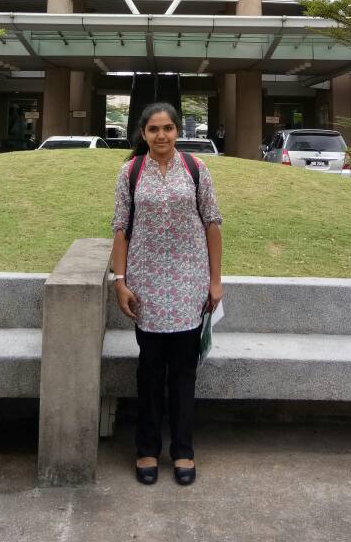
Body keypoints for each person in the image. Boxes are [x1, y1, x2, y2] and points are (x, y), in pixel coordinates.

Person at [111, 102, 223, 487]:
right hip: (146, 287)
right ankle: (146, 448)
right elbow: (120, 229)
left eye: (168, 128)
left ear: (178, 131)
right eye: (154, 129)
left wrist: (215, 281)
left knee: (183, 373)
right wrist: (120, 281)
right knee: (149, 371)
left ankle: (183, 450)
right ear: (143, 134)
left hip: (189, 284)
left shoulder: (196, 169)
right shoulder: (130, 172)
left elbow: (213, 224)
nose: (161, 135)